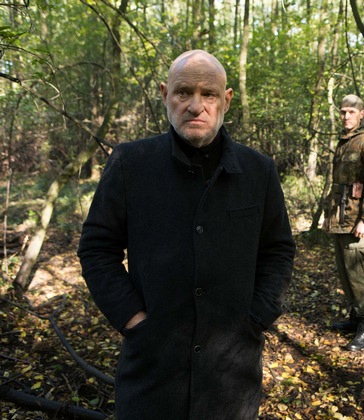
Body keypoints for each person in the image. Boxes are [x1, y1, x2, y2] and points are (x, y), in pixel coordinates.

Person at [77, 50, 296, 419]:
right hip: (152, 374)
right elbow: (97, 249)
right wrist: (134, 320)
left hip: (232, 377)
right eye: (184, 92)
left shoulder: (258, 171)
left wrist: (256, 317)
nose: (196, 106)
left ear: (226, 100)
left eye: (208, 94)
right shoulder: (131, 164)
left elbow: (278, 250)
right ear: (165, 95)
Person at [323, 94, 364, 352]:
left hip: (358, 221)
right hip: (342, 218)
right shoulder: (345, 141)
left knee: (360, 274)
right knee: (346, 272)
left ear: (361, 114)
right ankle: (355, 317)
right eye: (343, 112)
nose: (346, 116)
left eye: (351, 112)